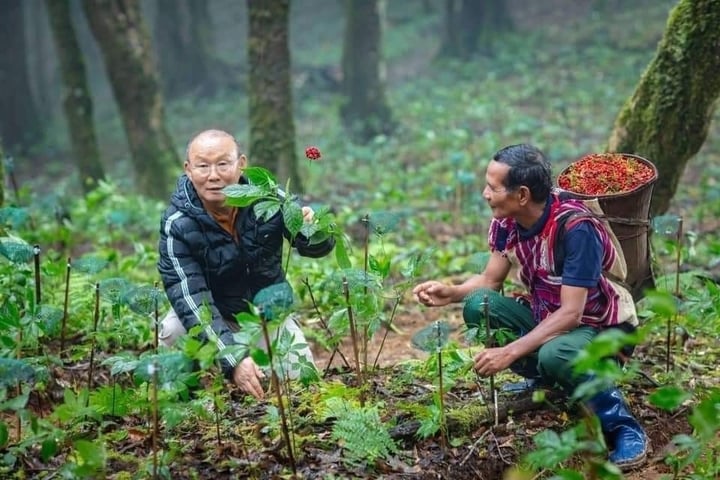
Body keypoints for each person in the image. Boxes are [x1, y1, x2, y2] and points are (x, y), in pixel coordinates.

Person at [412, 144, 647, 469]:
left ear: (522, 195)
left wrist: (509, 352)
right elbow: (490, 281)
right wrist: (451, 292)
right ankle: (547, 379)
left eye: (493, 188)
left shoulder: (576, 229)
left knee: (556, 353)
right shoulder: (507, 222)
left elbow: (571, 314)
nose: (484, 194)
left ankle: (622, 426)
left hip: (599, 328)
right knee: (478, 305)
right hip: (548, 317)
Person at [157, 129, 334, 400]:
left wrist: (313, 229)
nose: (213, 175)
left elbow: (314, 247)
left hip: (266, 315)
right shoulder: (177, 223)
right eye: (203, 166)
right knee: (172, 332)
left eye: (223, 163)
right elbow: (189, 297)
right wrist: (233, 358)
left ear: (241, 164)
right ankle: (189, 400)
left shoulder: (268, 196)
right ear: (188, 170)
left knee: (304, 390)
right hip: (214, 313)